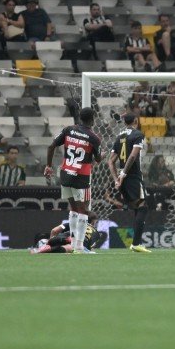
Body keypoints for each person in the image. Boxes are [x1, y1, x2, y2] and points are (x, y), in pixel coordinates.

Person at [44, 108, 103, 254]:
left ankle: (73, 241)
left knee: (73, 208)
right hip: (81, 176)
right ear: (93, 119)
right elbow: (98, 159)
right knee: (82, 210)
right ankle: (79, 246)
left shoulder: (68, 130)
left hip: (65, 174)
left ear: (80, 118)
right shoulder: (93, 137)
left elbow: (51, 146)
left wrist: (48, 166)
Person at [108, 114, 151, 253]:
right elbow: (133, 156)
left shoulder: (119, 136)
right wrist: (124, 174)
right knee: (143, 207)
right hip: (132, 176)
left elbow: (111, 161)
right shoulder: (138, 134)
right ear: (136, 121)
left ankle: (136, 242)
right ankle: (136, 243)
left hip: (122, 178)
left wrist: (116, 178)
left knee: (137, 208)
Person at [32, 211, 106, 254]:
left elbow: (54, 230)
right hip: (79, 242)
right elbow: (91, 249)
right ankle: (46, 249)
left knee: (55, 241)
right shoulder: (96, 234)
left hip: (64, 236)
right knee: (69, 248)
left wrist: (50, 240)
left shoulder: (75, 223)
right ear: (93, 222)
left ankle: (48, 244)